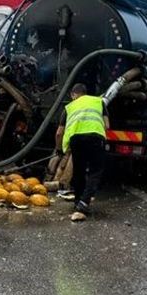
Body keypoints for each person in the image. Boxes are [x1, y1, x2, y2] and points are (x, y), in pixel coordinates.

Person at [54, 83, 107, 222]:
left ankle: (78, 201)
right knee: (95, 171)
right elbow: (107, 125)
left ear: (73, 95)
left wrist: (59, 150)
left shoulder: (69, 107)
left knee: (79, 170)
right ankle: (84, 202)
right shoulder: (98, 102)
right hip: (96, 138)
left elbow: (59, 133)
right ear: (86, 92)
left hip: (76, 140)